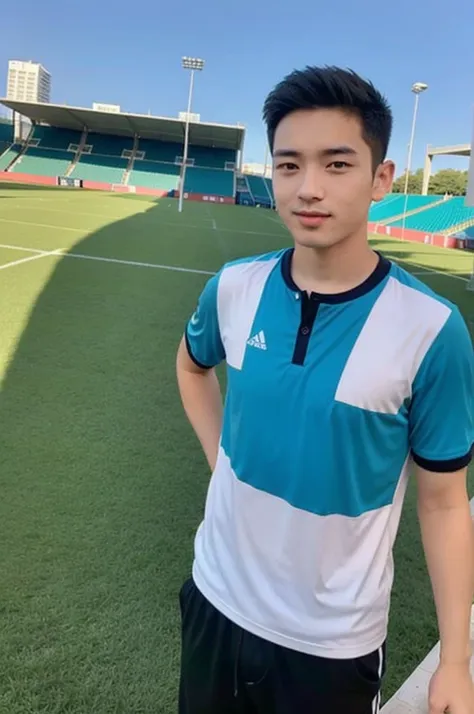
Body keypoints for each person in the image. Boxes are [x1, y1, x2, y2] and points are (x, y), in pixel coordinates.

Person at [175, 65, 474, 714]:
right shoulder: (233, 287)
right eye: (289, 166)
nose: (308, 188)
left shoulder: (431, 332)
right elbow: (192, 366)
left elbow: (446, 504)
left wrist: (455, 660)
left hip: (330, 646)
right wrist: (219, 459)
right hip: (214, 601)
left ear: (381, 179)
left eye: (336, 165)